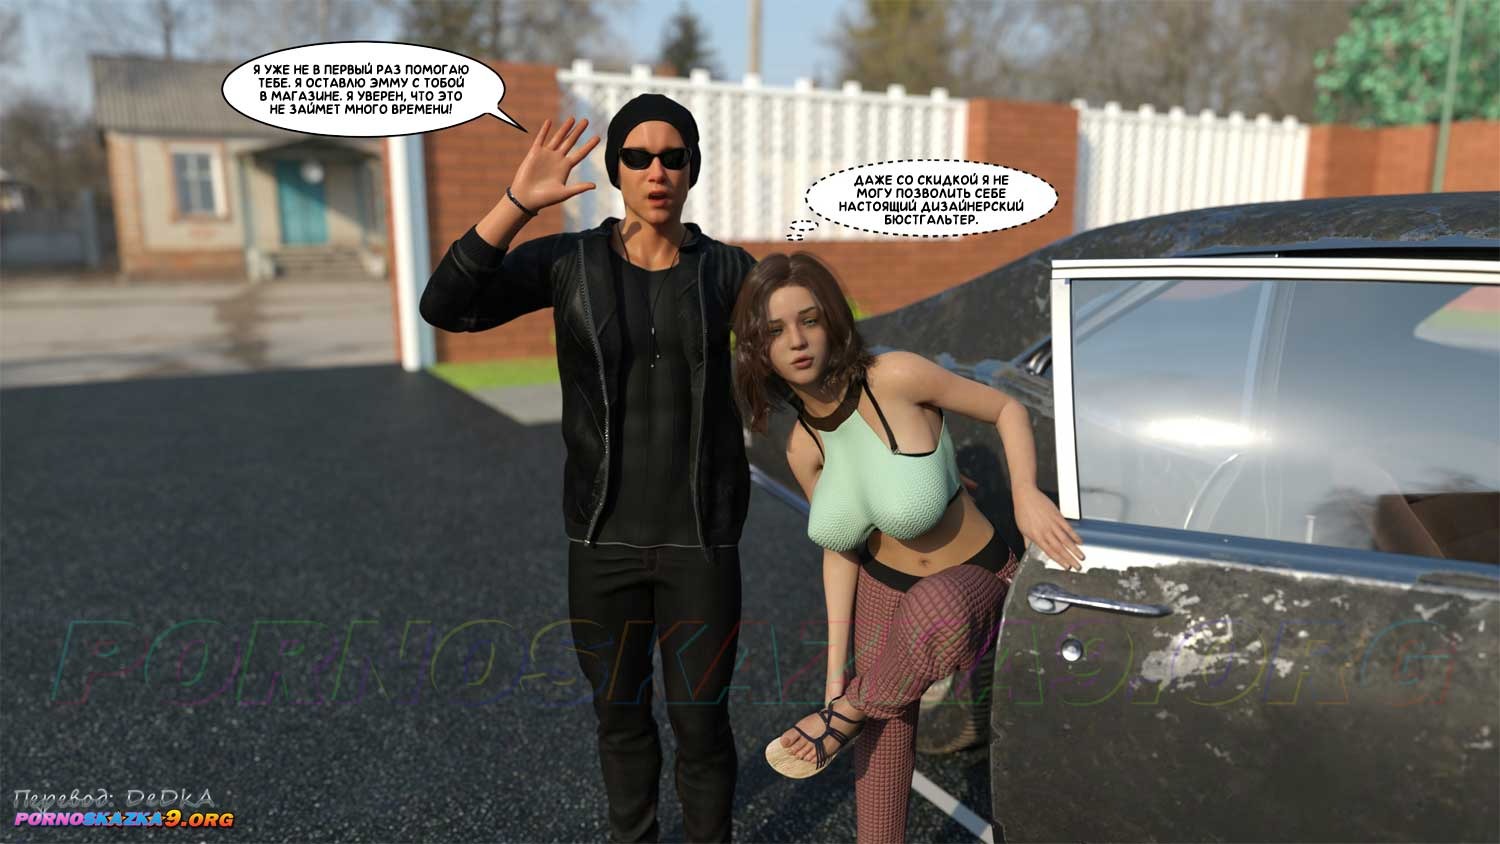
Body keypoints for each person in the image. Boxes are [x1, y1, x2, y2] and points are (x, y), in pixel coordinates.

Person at [419, 94, 758, 843]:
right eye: (637, 156)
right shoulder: (568, 262)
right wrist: (516, 204)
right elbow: (446, 305)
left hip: (701, 544)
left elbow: (809, 359)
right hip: (602, 544)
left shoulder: (730, 270)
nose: (656, 171)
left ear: (692, 168)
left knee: (702, 726)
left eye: (673, 156)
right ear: (616, 170)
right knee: (620, 719)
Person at [730, 252, 1085, 843]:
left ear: (832, 321)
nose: (796, 340)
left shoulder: (894, 376)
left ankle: (848, 713)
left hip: (973, 579)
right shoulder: (802, 448)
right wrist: (834, 676)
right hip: (883, 587)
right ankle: (856, 720)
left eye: (809, 320)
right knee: (883, 739)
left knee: (931, 615)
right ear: (757, 349)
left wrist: (1025, 495)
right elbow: (841, 548)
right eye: (774, 331)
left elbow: (1006, 407)